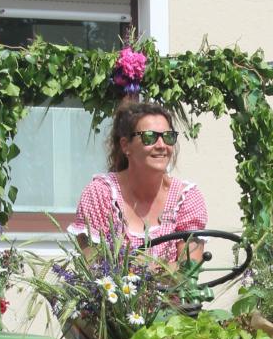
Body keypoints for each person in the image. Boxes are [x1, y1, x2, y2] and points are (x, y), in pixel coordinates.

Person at [68, 101, 207, 265]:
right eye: (149, 137)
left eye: (168, 137)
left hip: (172, 292)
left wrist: (142, 272)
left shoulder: (186, 198)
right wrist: (158, 271)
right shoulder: (100, 194)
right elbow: (92, 269)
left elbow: (188, 272)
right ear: (126, 145)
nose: (162, 146)